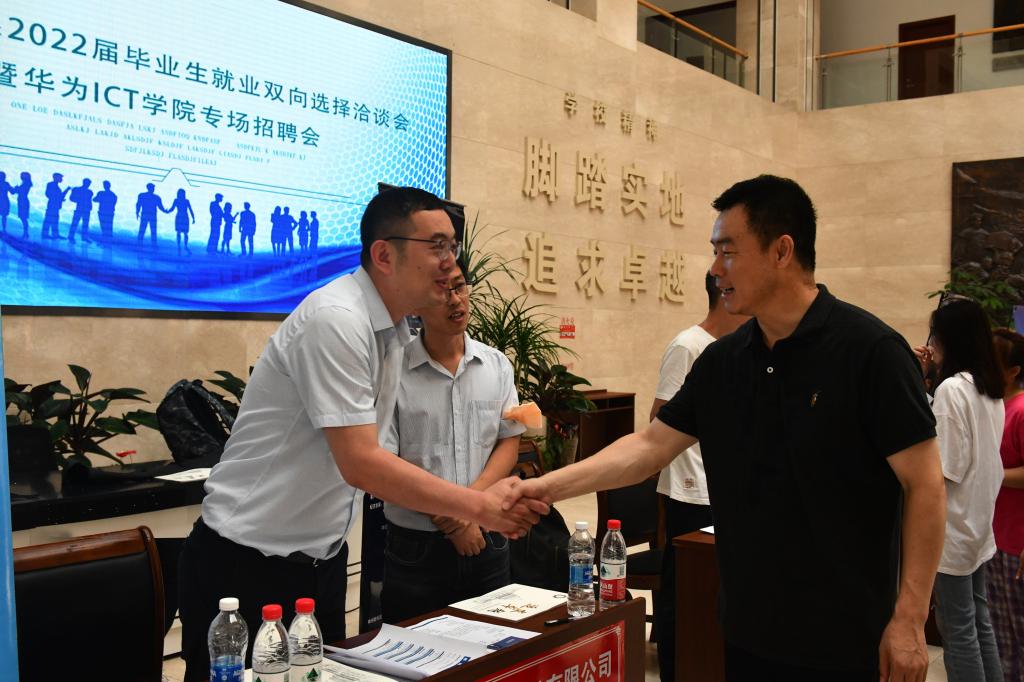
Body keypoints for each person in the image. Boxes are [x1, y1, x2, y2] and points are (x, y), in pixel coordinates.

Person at [505, 174, 946, 681]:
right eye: (715, 252)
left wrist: (910, 618)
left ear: (782, 251)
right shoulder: (722, 363)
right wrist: (544, 488)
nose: (715, 269)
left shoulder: (870, 352)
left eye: (728, 251)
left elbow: (925, 485)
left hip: (847, 639)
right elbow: (649, 447)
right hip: (748, 631)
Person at [177, 187, 545, 681]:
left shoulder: (391, 333)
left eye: (452, 247)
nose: (449, 262)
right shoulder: (337, 319)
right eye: (436, 246)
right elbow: (362, 462)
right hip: (246, 562)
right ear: (384, 255)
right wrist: (478, 507)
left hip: (320, 562)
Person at [380, 260, 524, 623]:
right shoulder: (392, 371)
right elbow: (387, 463)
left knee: (495, 645)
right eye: (441, 291)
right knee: (414, 648)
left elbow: (507, 443)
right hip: (416, 549)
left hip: (487, 538)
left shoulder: (497, 366)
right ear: (415, 304)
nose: (455, 299)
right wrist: (457, 519)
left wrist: (467, 511)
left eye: (459, 287)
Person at [649, 270, 749, 682]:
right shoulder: (688, 346)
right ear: (725, 295)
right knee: (683, 590)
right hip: (689, 491)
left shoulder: (741, 349)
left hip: (725, 488)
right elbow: (659, 421)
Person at [916, 297, 1006, 682]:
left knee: (958, 630)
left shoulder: (954, 389)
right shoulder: (987, 386)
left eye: (934, 335)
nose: (930, 344)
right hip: (977, 521)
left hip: (953, 526)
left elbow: (945, 468)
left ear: (948, 339)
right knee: (978, 621)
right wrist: (926, 381)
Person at [988, 327, 1024, 682]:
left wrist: (988, 473)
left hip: (1017, 544)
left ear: (1013, 371)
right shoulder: (995, 407)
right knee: (1002, 640)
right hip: (995, 540)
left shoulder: (1022, 411)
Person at [165, 189, 195, 255]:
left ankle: (183, 245)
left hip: (182, 217)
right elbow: (172, 208)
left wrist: (193, 217)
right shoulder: (180, 201)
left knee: (183, 233)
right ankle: (182, 245)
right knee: (181, 233)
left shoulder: (183, 201)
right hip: (182, 217)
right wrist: (168, 211)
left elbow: (190, 209)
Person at [42, 172, 69, 239]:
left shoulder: (56, 186)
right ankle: (45, 234)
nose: (61, 179)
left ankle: (55, 234)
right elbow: (48, 194)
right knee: (48, 220)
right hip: (52, 206)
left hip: (55, 206)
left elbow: (59, 196)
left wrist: (65, 192)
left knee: (54, 220)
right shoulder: (51, 185)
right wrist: (58, 198)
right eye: (60, 177)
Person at [67, 178, 94, 243]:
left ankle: (83, 237)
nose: (88, 185)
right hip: (80, 209)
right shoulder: (79, 190)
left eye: (89, 184)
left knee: (84, 224)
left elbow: (89, 201)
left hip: (85, 210)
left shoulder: (89, 192)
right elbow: (72, 198)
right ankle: (71, 236)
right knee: (76, 223)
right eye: (88, 183)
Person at [12, 172, 31, 237]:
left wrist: (16, 188)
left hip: (23, 202)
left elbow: (20, 191)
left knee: (23, 218)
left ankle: (26, 232)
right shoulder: (25, 184)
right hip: (22, 201)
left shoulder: (26, 184)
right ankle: (25, 232)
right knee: (23, 217)